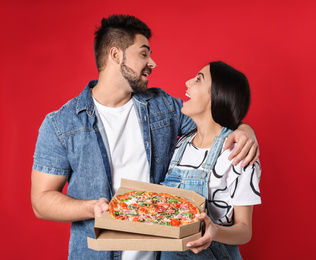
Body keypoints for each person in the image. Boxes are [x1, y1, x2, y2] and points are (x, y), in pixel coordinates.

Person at [30, 15, 260, 260]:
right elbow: (41, 201)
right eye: (143, 54)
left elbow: (214, 120)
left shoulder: (164, 107)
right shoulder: (61, 124)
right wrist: (92, 207)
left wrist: (245, 130)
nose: (152, 62)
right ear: (116, 55)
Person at [160, 61, 261, 260]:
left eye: (198, 79)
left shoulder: (238, 152)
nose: (188, 83)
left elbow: (245, 230)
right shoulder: (180, 145)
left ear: (216, 96)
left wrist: (214, 231)